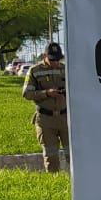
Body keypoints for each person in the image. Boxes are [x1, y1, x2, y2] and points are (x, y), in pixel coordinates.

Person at [22, 42, 69, 173]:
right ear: (45, 56)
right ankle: (54, 181)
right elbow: (26, 93)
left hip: (66, 118)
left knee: (72, 154)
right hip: (46, 119)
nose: (55, 62)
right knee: (51, 155)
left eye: (58, 59)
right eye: (52, 59)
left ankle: (74, 183)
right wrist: (46, 93)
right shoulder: (35, 71)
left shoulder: (67, 69)